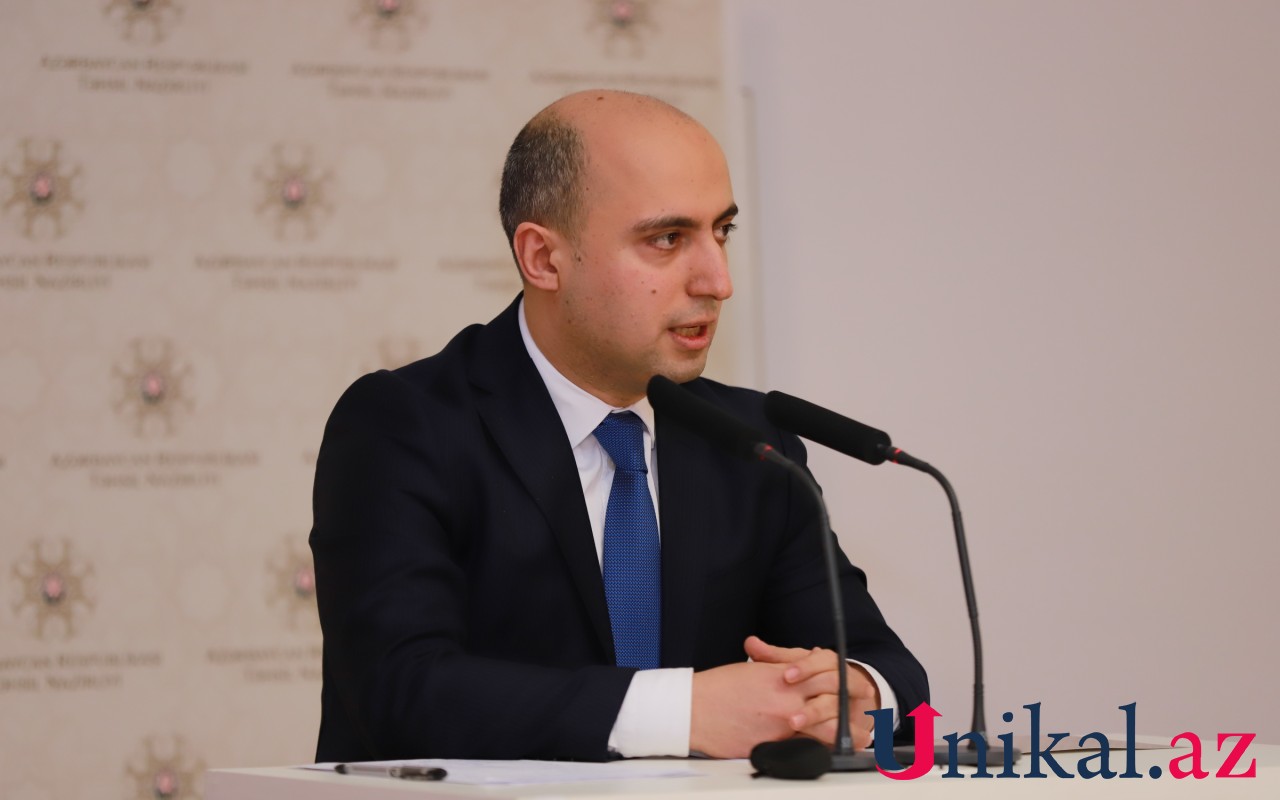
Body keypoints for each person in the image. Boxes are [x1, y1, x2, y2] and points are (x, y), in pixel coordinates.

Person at [309, 90, 927, 763]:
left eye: (721, 231)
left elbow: (889, 671)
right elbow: (401, 691)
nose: (718, 280)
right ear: (543, 258)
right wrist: (685, 712)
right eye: (668, 239)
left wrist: (855, 691)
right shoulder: (407, 426)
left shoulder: (752, 443)